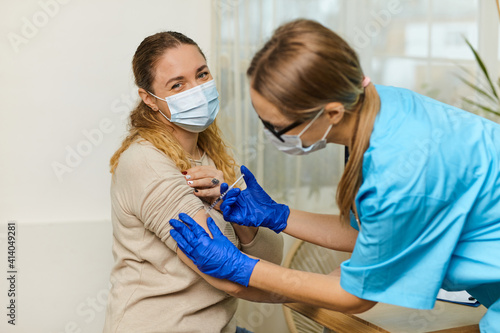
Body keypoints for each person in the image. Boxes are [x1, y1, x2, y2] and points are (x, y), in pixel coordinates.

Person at [169, 19, 500, 332]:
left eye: (277, 126)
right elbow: (372, 232)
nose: (270, 134)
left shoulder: (403, 167)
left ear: (331, 113)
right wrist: (278, 215)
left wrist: (242, 268)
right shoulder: (377, 105)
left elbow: (354, 297)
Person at [103, 31, 283, 333]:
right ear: (148, 98)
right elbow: (223, 267)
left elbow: (270, 256)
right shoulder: (145, 162)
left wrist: (232, 203)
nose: (197, 90)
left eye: (202, 74)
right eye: (178, 84)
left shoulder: (212, 154)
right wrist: (317, 291)